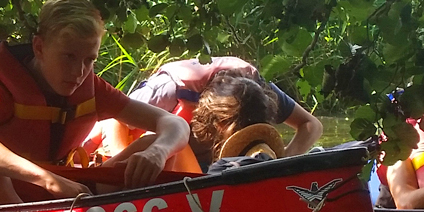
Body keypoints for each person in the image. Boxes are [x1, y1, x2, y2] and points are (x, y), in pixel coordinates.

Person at [0, 0, 190, 207]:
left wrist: (159, 151)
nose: (79, 71)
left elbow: (173, 123)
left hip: (65, 189)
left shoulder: (91, 88)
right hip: (2, 195)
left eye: (89, 59)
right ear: (39, 47)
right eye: (69, 57)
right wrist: (48, 180)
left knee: (157, 145)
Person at [128, 55, 325, 156]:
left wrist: (284, 161)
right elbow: (114, 121)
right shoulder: (171, 90)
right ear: (218, 124)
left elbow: (311, 125)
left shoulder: (259, 93)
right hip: (169, 147)